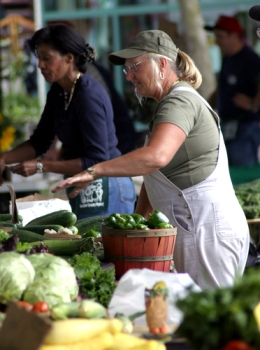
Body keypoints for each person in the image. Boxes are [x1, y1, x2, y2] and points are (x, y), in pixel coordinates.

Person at [52, 29, 250, 290]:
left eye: (135, 66)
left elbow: (156, 157)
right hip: (200, 229)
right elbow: (154, 175)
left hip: (207, 231)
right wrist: (136, 225)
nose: (129, 76)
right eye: (126, 70)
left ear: (162, 65)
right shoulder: (169, 103)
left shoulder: (178, 101)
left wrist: (95, 171)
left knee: (215, 321)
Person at [0, 24, 136, 218]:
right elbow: (40, 142)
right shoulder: (58, 92)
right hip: (82, 185)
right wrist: (4, 159)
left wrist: (42, 166)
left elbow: (97, 159)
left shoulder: (88, 96)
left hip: (106, 184)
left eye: (47, 58)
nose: (40, 65)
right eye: (39, 58)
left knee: (98, 247)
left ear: (69, 58)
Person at [205, 15, 260, 167]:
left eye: (220, 36)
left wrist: (253, 104)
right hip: (229, 126)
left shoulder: (250, 59)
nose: (216, 41)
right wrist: (205, 107)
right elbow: (222, 88)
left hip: (245, 126)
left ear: (234, 36)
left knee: (244, 172)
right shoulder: (229, 59)